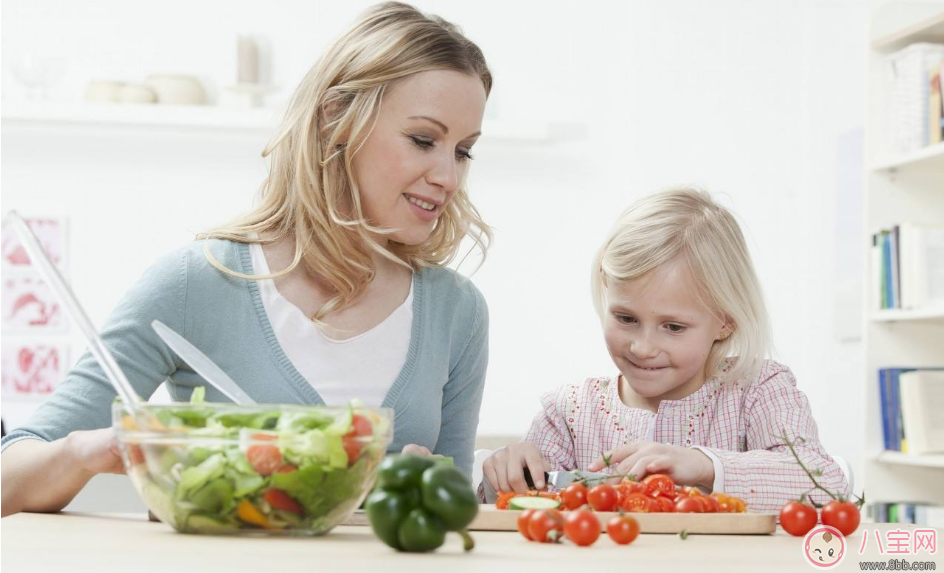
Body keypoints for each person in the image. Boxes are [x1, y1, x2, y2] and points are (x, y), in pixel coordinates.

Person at [1, 2, 492, 516]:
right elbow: (8, 477)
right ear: (337, 119)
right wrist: (92, 449)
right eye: (423, 140)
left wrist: (425, 490)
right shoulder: (197, 285)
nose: (449, 177)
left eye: (463, 150)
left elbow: (451, 512)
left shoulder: (455, 313)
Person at [481, 188, 849, 513]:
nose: (642, 348)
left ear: (726, 321)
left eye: (673, 327)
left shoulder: (758, 389)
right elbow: (512, 513)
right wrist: (504, 474)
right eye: (626, 318)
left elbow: (825, 482)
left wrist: (705, 465)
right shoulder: (569, 413)